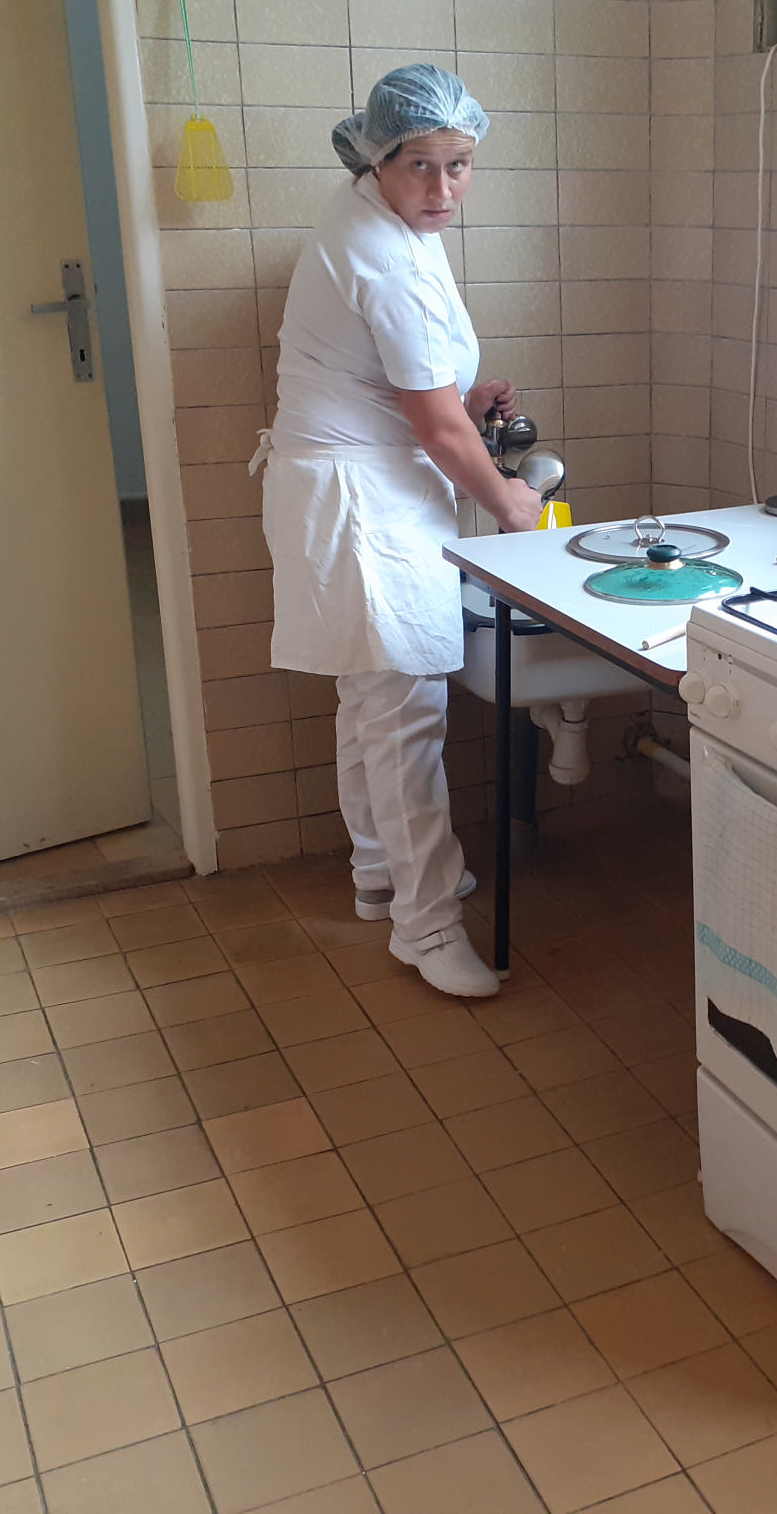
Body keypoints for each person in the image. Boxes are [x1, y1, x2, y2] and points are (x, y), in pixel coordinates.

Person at [252, 66, 542, 999]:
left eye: (460, 165)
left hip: (353, 487)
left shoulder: (382, 222)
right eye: (422, 165)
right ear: (378, 159)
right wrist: (511, 504)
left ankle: (380, 874)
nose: (443, 188)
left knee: (369, 698)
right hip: (362, 504)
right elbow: (436, 430)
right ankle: (427, 926)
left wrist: (464, 398)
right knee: (405, 711)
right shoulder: (382, 256)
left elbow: (408, 388)